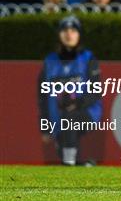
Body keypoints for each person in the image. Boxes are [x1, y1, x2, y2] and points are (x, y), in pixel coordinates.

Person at [38, 15, 102, 166]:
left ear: (79, 34)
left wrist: (77, 103)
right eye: (65, 30)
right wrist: (45, 124)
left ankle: (69, 163)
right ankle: (81, 164)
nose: (69, 34)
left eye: (73, 30)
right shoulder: (50, 61)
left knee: (70, 119)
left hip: (87, 112)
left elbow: (96, 90)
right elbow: (42, 97)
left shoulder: (88, 58)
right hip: (57, 115)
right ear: (59, 35)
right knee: (63, 142)